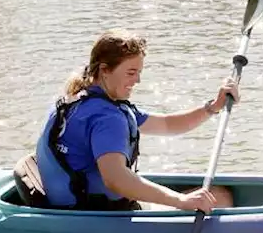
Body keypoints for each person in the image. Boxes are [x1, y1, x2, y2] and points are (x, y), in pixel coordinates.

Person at [29, 30, 240, 212]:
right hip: (101, 214)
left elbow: (167, 125)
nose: (137, 80)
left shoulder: (77, 99)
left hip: (76, 205)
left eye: (139, 72)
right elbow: (116, 179)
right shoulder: (107, 118)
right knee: (221, 197)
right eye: (131, 72)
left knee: (214, 194)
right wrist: (181, 201)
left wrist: (213, 107)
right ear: (104, 70)